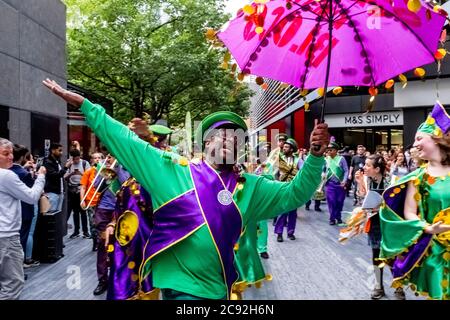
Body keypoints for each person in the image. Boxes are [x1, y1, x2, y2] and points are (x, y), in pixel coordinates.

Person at [43, 78, 329, 300]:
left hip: (220, 286)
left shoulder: (253, 187)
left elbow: (295, 193)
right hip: (179, 287)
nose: (229, 139)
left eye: (236, 137)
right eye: (221, 134)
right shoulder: (174, 170)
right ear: (206, 143)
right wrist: (87, 107)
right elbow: (128, 142)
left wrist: (315, 157)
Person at [379, 102, 450, 300]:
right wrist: (427, 228)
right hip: (434, 251)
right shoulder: (417, 177)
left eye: (419, 138)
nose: (415, 143)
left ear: (437, 139)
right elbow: (409, 211)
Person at [107, 123, 173, 300]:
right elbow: (123, 208)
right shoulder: (129, 182)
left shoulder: (156, 180)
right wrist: (113, 224)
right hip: (126, 246)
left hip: (150, 247)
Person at [0, 138, 46, 299]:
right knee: (13, 284)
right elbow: (32, 197)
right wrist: (40, 176)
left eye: (11, 153)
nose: (11, 157)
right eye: (6, 154)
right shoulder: (6, 175)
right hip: (6, 237)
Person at [355, 155, 405, 300]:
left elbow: (400, 204)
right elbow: (361, 199)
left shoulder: (393, 181)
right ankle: (378, 286)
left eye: (368, 165)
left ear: (377, 169)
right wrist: (359, 183)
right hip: (374, 223)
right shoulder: (366, 179)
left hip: (390, 223)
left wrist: (382, 207)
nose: (364, 167)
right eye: (365, 164)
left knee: (393, 255)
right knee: (376, 255)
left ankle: (399, 287)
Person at [92, 155, 130, 296]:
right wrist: (104, 173)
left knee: (121, 246)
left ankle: (118, 277)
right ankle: (102, 280)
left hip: (121, 209)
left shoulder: (126, 165)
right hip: (104, 209)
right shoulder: (102, 166)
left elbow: (126, 183)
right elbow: (96, 186)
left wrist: (117, 169)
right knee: (103, 245)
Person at [274, 138, 303, 242]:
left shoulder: (298, 160)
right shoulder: (279, 159)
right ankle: (279, 233)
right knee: (282, 211)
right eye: (284, 146)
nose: (284, 148)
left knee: (292, 212)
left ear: (292, 149)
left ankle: (290, 232)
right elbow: (273, 172)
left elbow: (303, 173)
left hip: (294, 189)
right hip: (282, 188)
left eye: (286, 147)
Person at [80, 152, 105, 251]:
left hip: (102, 202)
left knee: (102, 223)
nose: (97, 159)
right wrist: (82, 200)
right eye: (95, 158)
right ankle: (95, 242)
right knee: (93, 223)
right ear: (92, 160)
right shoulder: (88, 171)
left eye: (99, 158)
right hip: (91, 201)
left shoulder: (105, 171)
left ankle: (102, 242)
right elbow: (83, 187)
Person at [65, 149, 91, 238]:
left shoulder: (84, 163)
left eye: (78, 158)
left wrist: (80, 173)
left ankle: (85, 231)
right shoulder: (69, 164)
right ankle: (76, 231)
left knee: (83, 211)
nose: (76, 160)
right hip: (72, 189)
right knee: (75, 212)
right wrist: (71, 173)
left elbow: (89, 176)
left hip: (82, 189)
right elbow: (64, 176)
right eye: (75, 159)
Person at [43, 142, 72, 212]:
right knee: (50, 215)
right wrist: (65, 167)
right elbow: (55, 176)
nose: (61, 153)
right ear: (53, 151)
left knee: (55, 215)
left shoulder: (56, 161)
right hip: (52, 193)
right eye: (59, 150)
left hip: (59, 192)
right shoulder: (48, 162)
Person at [325, 142, 348, 226]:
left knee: (339, 201)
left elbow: (346, 170)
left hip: (340, 184)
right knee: (331, 201)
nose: (328, 151)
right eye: (328, 150)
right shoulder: (326, 159)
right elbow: (323, 170)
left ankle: (338, 217)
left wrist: (344, 180)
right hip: (330, 184)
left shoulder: (341, 159)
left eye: (330, 150)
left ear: (335, 150)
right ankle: (332, 218)